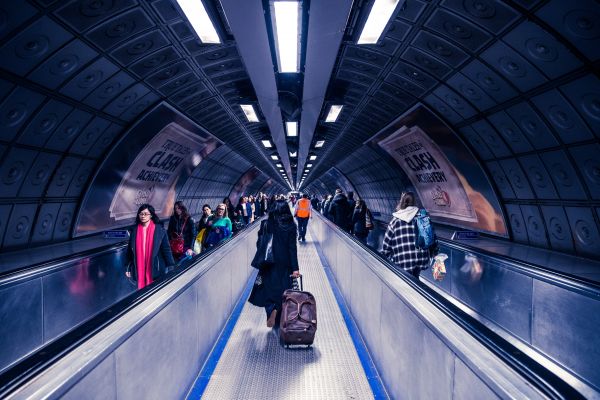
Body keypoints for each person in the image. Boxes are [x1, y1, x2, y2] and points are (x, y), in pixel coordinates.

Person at [248, 199, 300, 327]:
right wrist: (295, 268)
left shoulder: (266, 223)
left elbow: (259, 244)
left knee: (268, 288)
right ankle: (278, 312)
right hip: (285, 262)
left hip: (268, 261)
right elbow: (292, 248)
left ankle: (271, 309)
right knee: (283, 289)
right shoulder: (291, 225)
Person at [381, 192, 431, 279]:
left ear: (402, 202)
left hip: (402, 260)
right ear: (415, 203)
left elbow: (386, 245)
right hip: (420, 259)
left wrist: (384, 255)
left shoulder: (395, 221)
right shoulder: (423, 218)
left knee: (405, 281)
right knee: (415, 279)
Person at [126, 204, 175, 290]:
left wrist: (171, 266)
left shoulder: (159, 230)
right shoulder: (134, 231)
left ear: (151, 215)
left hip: (155, 266)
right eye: (141, 214)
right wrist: (128, 268)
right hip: (139, 267)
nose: (143, 216)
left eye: (146, 214)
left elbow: (166, 249)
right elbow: (130, 252)